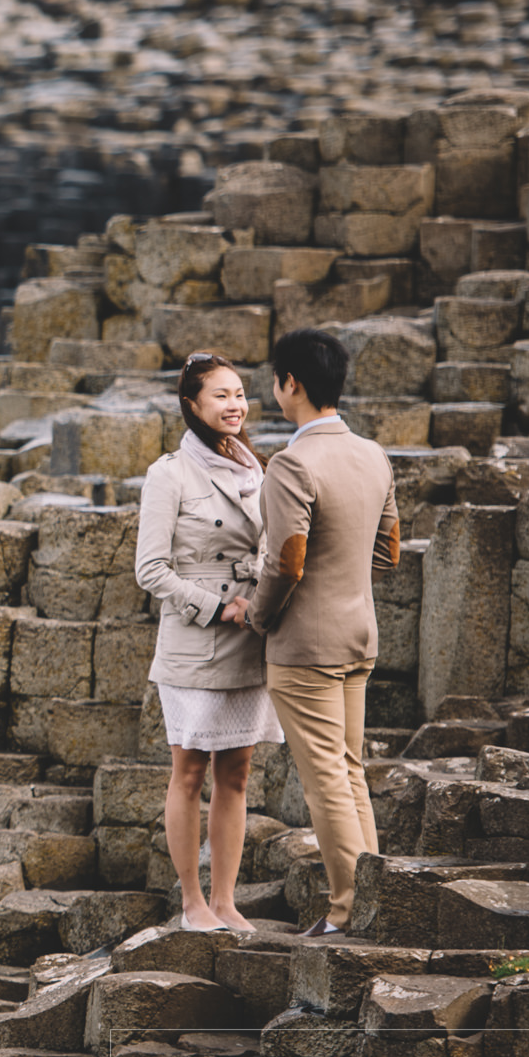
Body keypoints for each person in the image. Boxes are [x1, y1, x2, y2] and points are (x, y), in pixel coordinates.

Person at [248, 327, 401, 937]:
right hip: (359, 633)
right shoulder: (373, 454)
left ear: (292, 384)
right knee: (350, 769)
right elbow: (388, 551)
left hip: (306, 645)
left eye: (275, 381)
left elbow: (286, 562)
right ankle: (379, 902)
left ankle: (346, 913)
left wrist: (260, 617)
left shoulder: (292, 462)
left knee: (325, 783)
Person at [136, 352, 277, 932]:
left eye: (240, 394)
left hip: (250, 638)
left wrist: (260, 597)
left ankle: (225, 901)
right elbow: (150, 569)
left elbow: (271, 546)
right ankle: (192, 903)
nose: (234, 405)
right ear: (192, 405)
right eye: (220, 396)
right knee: (189, 772)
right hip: (196, 642)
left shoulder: (259, 471)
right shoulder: (168, 473)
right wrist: (218, 606)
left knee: (237, 773)